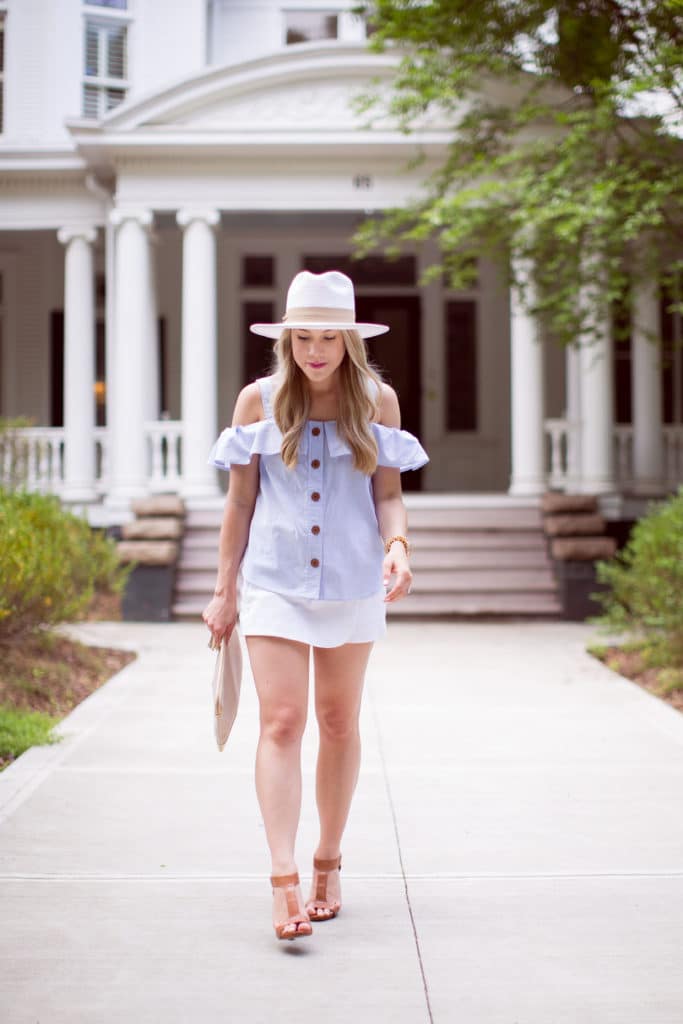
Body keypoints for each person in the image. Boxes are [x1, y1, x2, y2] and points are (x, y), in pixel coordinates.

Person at [202, 270, 428, 942]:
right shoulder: (258, 402)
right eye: (303, 337)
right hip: (272, 579)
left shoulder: (376, 400)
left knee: (336, 720)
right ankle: (283, 879)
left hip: (354, 579)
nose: (315, 350)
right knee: (280, 722)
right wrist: (223, 592)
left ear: (349, 339)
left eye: (329, 336)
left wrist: (398, 546)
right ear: (288, 339)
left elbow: (387, 492)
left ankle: (327, 858)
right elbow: (239, 502)